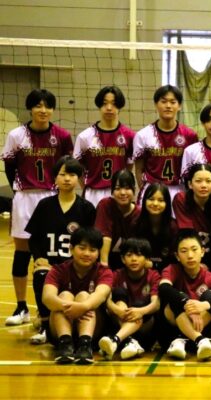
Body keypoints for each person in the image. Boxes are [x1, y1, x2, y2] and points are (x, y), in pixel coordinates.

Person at [2, 89, 74, 327]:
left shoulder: (62, 136)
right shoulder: (16, 135)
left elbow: (68, 166)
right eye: (38, 105)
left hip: (52, 196)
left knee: (52, 254)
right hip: (25, 196)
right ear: (30, 108)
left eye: (47, 106)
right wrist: (19, 191)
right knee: (22, 252)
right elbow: (10, 167)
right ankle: (21, 307)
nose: (43, 110)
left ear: (52, 109)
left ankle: (49, 311)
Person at [25, 156, 96, 344]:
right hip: (51, 265)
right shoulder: (44, 206)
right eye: (62, 174)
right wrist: (38, 258)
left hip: (75, 266)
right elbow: (33, 238)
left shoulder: (86, 208)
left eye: (72, 174)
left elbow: (92, 241)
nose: (67, 179)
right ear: (55, 177)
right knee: (41, 274)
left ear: (79, 178)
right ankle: (45, 324)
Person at [159, 230, 211, 361]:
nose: (190, 255)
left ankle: (188, 338)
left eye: (194, 249)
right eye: (184, 251)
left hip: (201, 327)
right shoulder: (172, 269)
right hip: (172, 333)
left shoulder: (210, 276)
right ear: (177, 256)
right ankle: (199, 339)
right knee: (175, 297)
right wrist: (187, 303)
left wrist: (203, 305)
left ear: (203, 251)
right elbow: (163, 288)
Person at [42, 227, 113, 364]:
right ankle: (65, 343)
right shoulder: (58, 270)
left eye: (92, 250)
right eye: (82, 248)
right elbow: (47, 297)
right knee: (65, 295)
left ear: (98, 253)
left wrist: (82, 306)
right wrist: (71, 307)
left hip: (93, 329)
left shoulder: (104, 272)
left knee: (84, 295)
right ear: (71, 249)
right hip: (58, 330)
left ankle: (85, 345)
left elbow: (101, 294)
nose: (87, 253)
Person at [133, 85, 198, 201]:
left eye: (173, 102)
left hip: (180, 190)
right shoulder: (143, 135)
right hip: (152, 189)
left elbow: (193, 169)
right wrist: (145, 190)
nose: (168, 106)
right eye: (163, 102)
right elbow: (139, 169)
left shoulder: (190, 135)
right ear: (156, 104)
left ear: (179, 106)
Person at [99, 238, 160, 361]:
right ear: (123, 259)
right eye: (129, 255)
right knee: (118, 293)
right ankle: (129, 341)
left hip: (145, 330)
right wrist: (116, 310)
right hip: (120, 322)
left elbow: (156, 304)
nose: (134, 259)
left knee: (139, 305)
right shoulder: (116, 275)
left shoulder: (154, 276)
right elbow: (106, 299)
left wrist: (141, 311)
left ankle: (116, 340)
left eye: (139, 255)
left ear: (147, 259)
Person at [74, 85, 136, 208]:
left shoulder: (130, 136)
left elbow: (129, 167)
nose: (109, 108)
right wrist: (86, 188)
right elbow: (77, 170)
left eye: (114, 104)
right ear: (99, 105)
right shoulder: (84, 137)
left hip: (119, 193)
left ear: (119, 106)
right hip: (93, 193)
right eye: (104, 103)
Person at [173, 163, 211, 277]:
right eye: (198, 181)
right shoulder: (181, 199)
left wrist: (209, 265)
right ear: (190, 184)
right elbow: (187, 233)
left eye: (208, 181)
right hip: (191, 254)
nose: (203, 185)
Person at [95, 169, 141, 270]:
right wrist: (104, 267)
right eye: (117, 188)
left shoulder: (140, 213)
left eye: (127, 188)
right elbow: (105, 236)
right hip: (106, 262)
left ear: (134, 190)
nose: (123, 193)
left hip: (130, 266)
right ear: (112, 191)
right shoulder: (105, 205)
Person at [134, 183, 178, 272]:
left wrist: (153, 265)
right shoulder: (136, 224)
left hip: (167, 272)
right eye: (151, 199)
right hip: (141, 271)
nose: (155, 203)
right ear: (144, 201)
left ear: (167, 203)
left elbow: (175, 259)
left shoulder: (173, 227)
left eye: (161, 200)